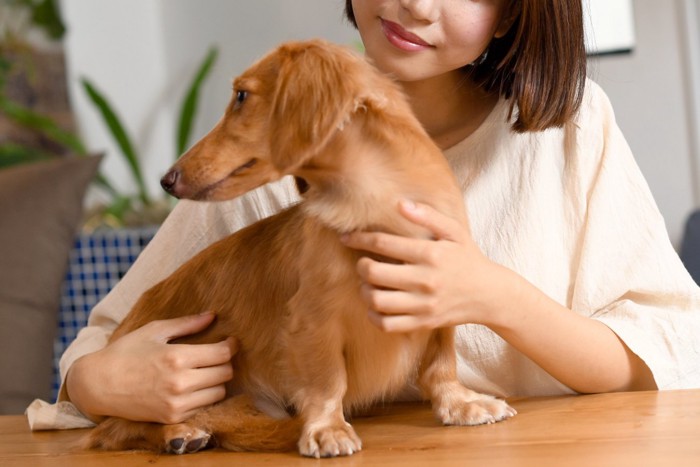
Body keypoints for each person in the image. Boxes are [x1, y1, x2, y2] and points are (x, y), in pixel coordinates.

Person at [34, 0, 700, 428]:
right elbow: (99, 349)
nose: (414, 3)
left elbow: (667, 349)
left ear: (507, 14)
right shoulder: (280, 140)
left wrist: (492, 294)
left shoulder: (571, 130)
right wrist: (101, 379)